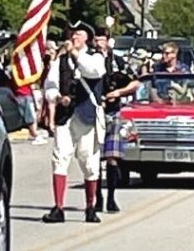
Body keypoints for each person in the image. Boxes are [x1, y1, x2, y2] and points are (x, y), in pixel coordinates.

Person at [42, 22, 106, 224]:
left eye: (78, 34)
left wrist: (76, 55)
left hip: (86, 116)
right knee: (60, 158)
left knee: (89, 162)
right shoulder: (60, 61)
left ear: (86, 37)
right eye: (72, 34)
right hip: (65, 117)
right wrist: (57, 97)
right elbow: (49, 86)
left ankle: (90, 207)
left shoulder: (95, 57)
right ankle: (58, 207)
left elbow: (93, 71)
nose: (73, 37)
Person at [93, 29, 139, 214]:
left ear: (108, 41)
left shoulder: (117, 61)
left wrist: (118, 93)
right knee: (94, 158)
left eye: (101, 40)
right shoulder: (87, 60)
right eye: (95, 40)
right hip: (94, 112)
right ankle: (97, 198)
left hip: (113, 112)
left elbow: (135, 82)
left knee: (112, 157)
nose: (97, 43)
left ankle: (111, 198)